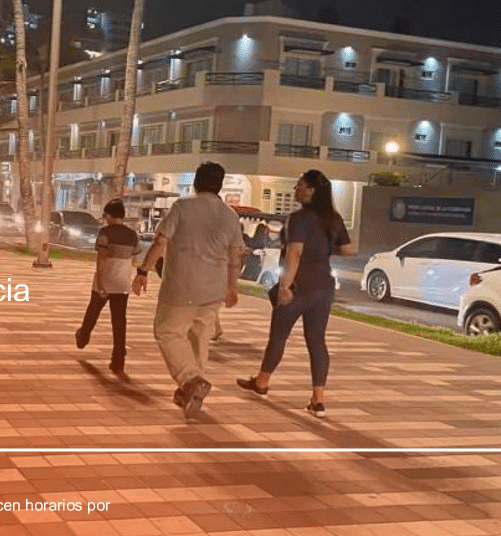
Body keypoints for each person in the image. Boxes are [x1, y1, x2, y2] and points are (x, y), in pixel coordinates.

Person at [237, 169, 356, 418]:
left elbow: (294, 252)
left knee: (279, 336)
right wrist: (322, 250)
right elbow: (348, 250)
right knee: (317, 342)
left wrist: (284, 287)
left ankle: (262, 382)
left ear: (312, 190)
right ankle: (318, 400)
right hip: (323, 288)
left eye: (300, 186)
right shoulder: (333, 218)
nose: (296, 190)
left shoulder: (299, 218)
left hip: (298, 287)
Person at [132, 162, 245, 419]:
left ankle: (190, 379)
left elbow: (161, 241)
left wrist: (143, 271)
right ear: (220, 184)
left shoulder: (182, 207)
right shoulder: (230, 215)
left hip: (180, 286)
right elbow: (235, 255)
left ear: (196, 182)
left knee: (167, 331)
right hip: (213, 290)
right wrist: (232, 286)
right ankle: (190, 391)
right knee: (199, 337)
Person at [75, 200, 141, 375]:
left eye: (105, 216)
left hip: (105, 281)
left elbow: (101, 258)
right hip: (122, 283)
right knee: (119, 321)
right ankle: (118, 359)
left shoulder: (104, 232)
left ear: (109, 216)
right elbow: (134, 259)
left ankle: (83, 336)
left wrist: (101, 281)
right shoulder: (132, 235)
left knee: (93, 311)